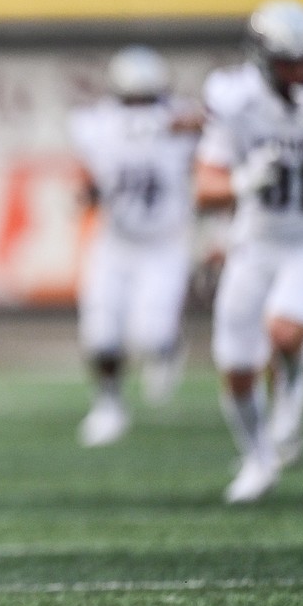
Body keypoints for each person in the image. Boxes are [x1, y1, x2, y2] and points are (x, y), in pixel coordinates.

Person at [194, 0, 303, 503]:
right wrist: (242, 182)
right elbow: (204, 188)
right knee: (235, 363)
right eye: (286, 62)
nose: (298, 72)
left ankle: (291, 386)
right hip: (256, 243)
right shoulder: (235, 99)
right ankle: (258, 459)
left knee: (283, 329)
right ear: (261, 59)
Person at [68, 45, 202, 447]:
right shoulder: (98, 125)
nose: (140, 107)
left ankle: (169, 346)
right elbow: (91, 175)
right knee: (100, 333)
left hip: (163, 243)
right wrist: (90, 192)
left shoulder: (181, 121)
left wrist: (180, 125)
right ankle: (108, 405)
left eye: (147, 99)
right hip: (115, 242)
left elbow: (213, 127)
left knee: (151, 333)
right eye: (133, 99)